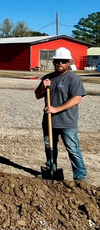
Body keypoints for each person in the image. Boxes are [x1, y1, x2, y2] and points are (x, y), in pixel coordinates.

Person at [34, 47, 87, 180]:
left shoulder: (73, 79)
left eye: (63, 61)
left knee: (73, 150)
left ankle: (80, 177)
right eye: (57, 61)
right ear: (53, 62)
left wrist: (56, 109)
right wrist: (42, 86)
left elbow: (77, 99)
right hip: (49, 122)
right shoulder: (47, 78)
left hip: (67, 122)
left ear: (69, 62)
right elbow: (37, 95)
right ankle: (51, 170)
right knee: (50, 148)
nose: (60, 64)